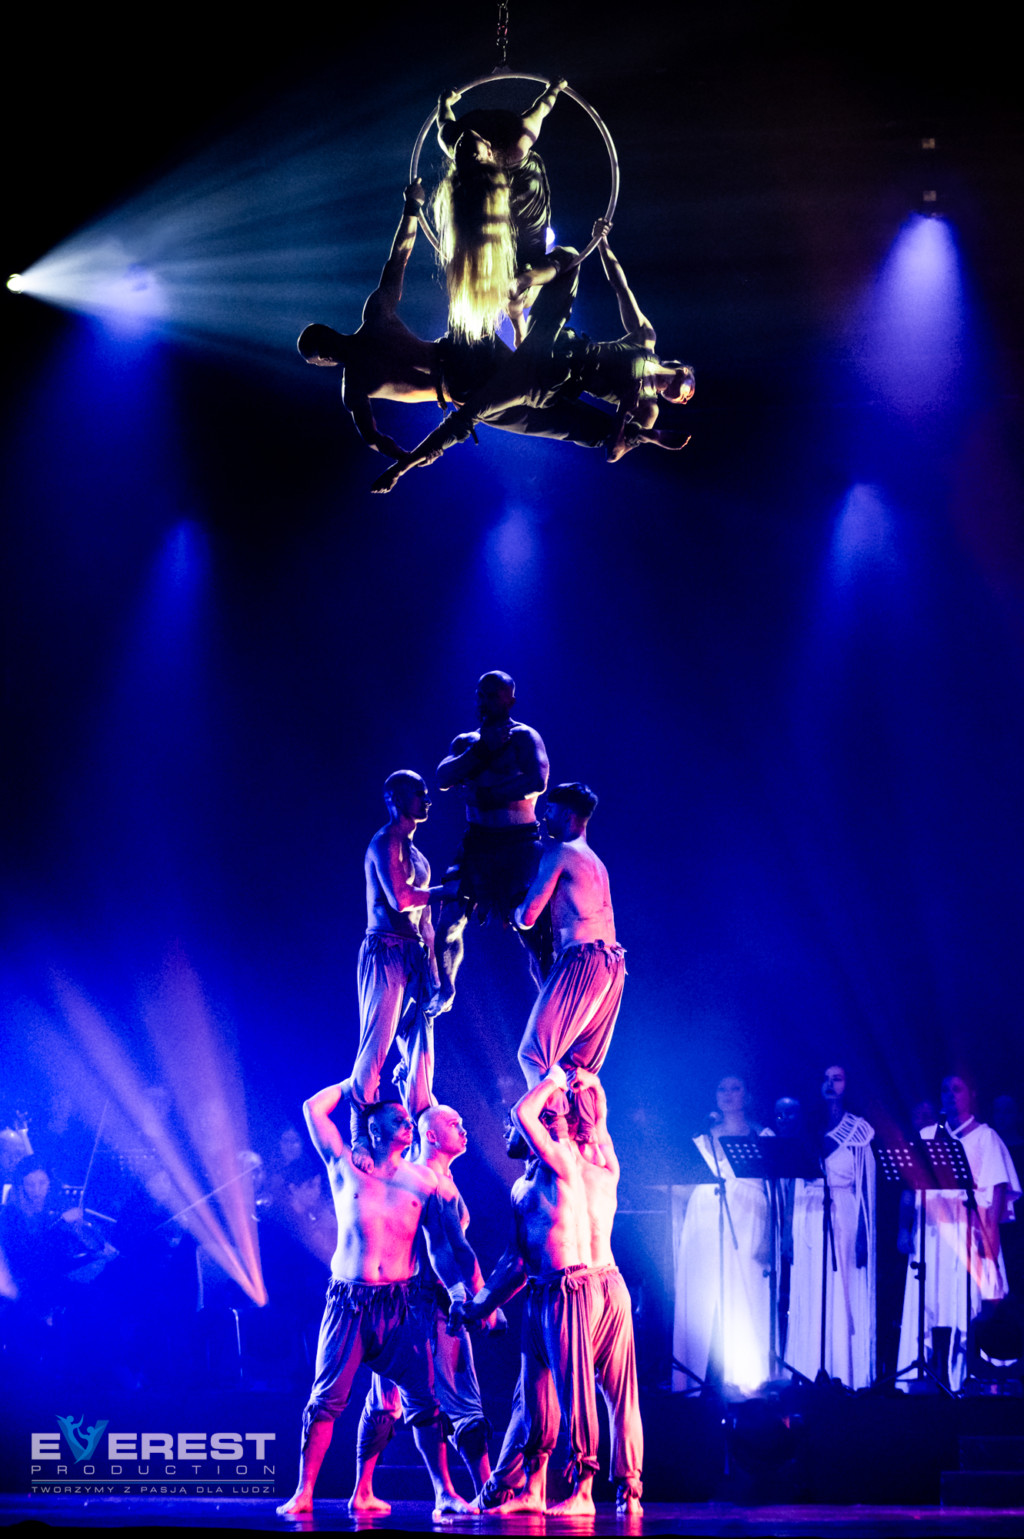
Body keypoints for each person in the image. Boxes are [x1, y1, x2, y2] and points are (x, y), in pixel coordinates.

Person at [369, 220, 695, 493]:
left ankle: (404, 467)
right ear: (682, 368)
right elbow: (621, 288)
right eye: (686, 387)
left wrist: (627, 412)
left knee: (471, 413)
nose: (682, 395)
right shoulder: (645, 339)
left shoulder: (648, 407)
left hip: (543, 380)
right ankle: (519, 283)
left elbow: (613, 451)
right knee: (570, 257)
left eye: (682, 398)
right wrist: (603, 243)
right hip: (556, 341)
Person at [297, 183, 616, 461]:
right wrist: (412, 208)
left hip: (461, 380)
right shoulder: (374, 320)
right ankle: (604, 394)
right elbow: (398, 258)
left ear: (323, 358)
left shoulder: (354, 384)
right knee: (542, 375)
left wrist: (408, 459)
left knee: (547, 407)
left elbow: (372, 438)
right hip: (464, 348)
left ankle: (608, 421)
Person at [276, 1087, 472, 1517]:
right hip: (349, 1302)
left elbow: (441, 1246)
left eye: (409, 1120)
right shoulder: (344, 1166)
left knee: (424, 1402)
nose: (408, 1124)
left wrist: (459, 1291)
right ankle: (304, 1493)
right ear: (374, 1129)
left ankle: (444, 1493)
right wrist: (353, 1085)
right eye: (398, 1120)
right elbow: (312, 1108)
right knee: (326, 1400)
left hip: (399, 1305)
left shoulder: (424, 1180)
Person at [453, 1071, 599, 1515]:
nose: (506, 1131)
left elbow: (523, 1112)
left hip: (569, 1288)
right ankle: (533, 1490)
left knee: (573, 1392)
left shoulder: (562, 1162)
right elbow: (514, 1261)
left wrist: (551, 1078)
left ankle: (584, 1492)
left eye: (511, 1127)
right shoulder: (522, 1185)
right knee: (533, 1400)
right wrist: (479, 1305)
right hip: (538, 1295)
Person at [350, 1103, 499, 1512]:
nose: (464, 1129)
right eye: (454, 1123)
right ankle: (368, 1490)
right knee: (395, 1399)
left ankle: (472, 1492)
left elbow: (454, 1249)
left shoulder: (438, 1178)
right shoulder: (423, 1176)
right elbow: (452, 1250)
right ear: (430, 1135)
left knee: (434, 1398)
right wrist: (481, 1297)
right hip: (414, 1303)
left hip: (431, 1303)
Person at [432, 671, 552, 1010]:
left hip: (519, 843)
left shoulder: (525, 737)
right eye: (480, 695)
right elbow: (443, 777)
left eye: (492, 695)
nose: (484, 702)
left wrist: (487, 795)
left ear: (510, 700)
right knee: (449, 919)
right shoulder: (466, 742)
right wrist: (483, 750)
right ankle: (446, 989)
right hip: (478, 843)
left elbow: (538, 781)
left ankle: (551, 1003)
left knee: (532, 930)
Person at [896, 1072, 1021, 1392]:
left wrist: (989, 1245)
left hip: (969, 1232)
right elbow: (909, 1187)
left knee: (966, 1305)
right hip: (931, 1235)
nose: (950, 1095)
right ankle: (928, 1377)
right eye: (944, 1090)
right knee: (930, 1304)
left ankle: (967, 1377)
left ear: (971, 1095)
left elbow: (995, 1194)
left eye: (957, 1089)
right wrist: (903, 1228)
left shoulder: (986, 1137)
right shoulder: (927, 1135)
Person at [348, 771, 441, 1155]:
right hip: (385, 949)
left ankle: (421, 1130)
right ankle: (359, 1132)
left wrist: (435, 976)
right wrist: (448, 891)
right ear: (396, 799)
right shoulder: (384, 842)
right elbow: (402, 899)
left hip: (414, 953)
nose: (427, 800)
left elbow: (426, 923)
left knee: (421, 1046)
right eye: (419, 793)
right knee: (377, 1045)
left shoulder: (419, 857)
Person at [433, 80, 567, 342]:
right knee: (559, 260)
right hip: (522, 219)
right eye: (464, 152)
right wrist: (555, 88)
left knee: (518, 279)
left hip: (519, 218)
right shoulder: (516, 144)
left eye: (460, 150)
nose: (461, 145)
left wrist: (444, 102)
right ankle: (519, 320)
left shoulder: (454, 143)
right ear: (487, 151)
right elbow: (542, 107)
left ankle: (518, 321)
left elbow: (443, 121)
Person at [514, 783, 625, 1088]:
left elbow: (527, 917)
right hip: (613, 965)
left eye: (549, 810)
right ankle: (577, 1120)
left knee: (533, 1056)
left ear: (566, 815)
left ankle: (543, 1119)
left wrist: (514, 909)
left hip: (582, 958)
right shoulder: (597, 863)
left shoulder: (561, 853)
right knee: (579, 1070)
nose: (543, 817)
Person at [672, 1075, 773, 1393]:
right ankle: (690, 1380)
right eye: (722, 1088)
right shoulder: (702, 1137)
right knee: (699, 1298)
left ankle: (747, 1382)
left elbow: (775, 1191)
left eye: (735, 1088)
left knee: (746, 1294)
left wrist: (770, 1236)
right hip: (704, 1215)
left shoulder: (762, 1135)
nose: (728, 1094)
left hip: (749, 1215)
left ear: (747, 1095)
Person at [787, 1066, 875, 1389]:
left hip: (843, 1212)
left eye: (837, 1078)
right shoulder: (808, 1128)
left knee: (841, 1287)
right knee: (812, 1287)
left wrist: (865, 1232)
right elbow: (795, 1181)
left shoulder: (859, 1130)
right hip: (808, 1212)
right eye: (825, 1078)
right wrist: (786, 1232)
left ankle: (844, 1372)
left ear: (847, 1085)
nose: (829, 1083)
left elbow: (865, 1186)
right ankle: (809, 1369)